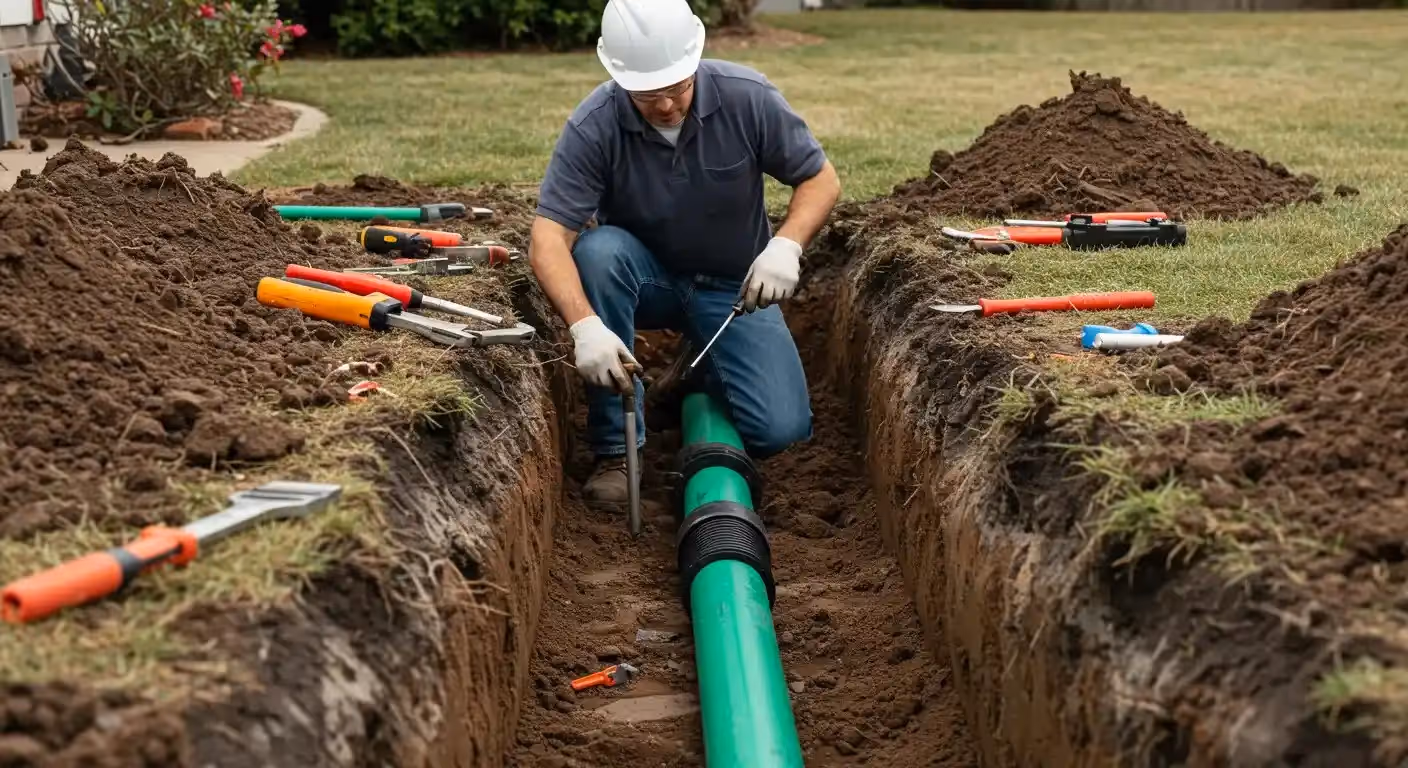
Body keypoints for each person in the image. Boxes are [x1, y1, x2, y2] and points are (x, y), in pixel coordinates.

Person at [528, 0, 841, 508]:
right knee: (598, 252)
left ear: (695, 60)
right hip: (645, 280)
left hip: (731, 288)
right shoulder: (595, 124)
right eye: (649, 95)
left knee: (781, 431)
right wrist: (584, 326)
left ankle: (694, 367)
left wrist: (786, 245)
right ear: (620, 78)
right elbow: (548, 238)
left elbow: (820, 179)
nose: (668, 106)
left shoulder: (749, 98)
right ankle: (615, 450)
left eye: (678, 87)